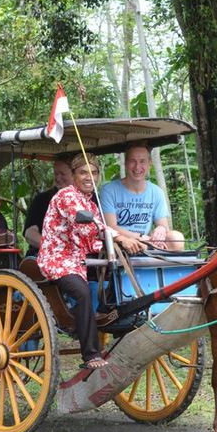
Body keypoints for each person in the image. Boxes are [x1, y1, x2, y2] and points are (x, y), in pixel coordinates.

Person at [37, 153, 144, 370]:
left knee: (118, 277)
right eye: (83, 172)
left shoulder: (91, 204)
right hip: (57, 260)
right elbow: (87, 229)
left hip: (80, 262)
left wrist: (127, 242)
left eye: (93, 172)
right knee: (82, 292)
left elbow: (93, 240)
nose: (89, 177)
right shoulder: (66, 196)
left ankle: (119, 324)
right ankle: (91, 355)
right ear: (74, 176)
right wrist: (120, 237)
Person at [100, 143, 185, 251]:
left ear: (150, 164)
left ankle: (164, 266)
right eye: (133, 161)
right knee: (142, 245)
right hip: (120, 241)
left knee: (176, 239)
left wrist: (161, 229)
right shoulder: (109, 190)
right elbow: (111, 227)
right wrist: (139, 237)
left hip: (146, 241)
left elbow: (163, 225)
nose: (137, 167)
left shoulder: (156, 192)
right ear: (125, 163)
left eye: (142, 161)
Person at [23, 157, 73, 257]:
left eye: (62, 174)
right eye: (56, 174)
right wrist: (53, 247)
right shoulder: (42, 199)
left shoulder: (89, 198)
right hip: (47, 253)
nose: (58, 178)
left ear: (74, 174)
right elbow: (29, 233)